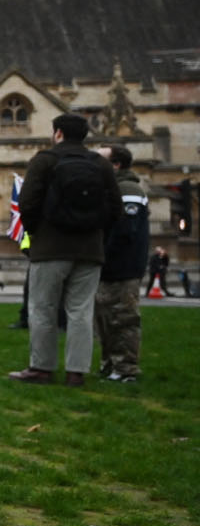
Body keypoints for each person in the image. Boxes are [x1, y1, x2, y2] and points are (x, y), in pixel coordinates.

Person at [8, 113, 122, 385]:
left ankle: (41, 368)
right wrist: (96, 233)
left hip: (50, 247)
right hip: (89, 250)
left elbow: (27, 204)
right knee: (81, 311)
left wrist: (36, 233)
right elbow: (115, 208)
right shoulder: (100, 164)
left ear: (58, 133)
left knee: (42, 309)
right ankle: (76, 372)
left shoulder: (44, 160)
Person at [96, 145, 150, 382]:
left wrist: (104, 254)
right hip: (110, 267)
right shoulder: (112, 188)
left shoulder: (128, 189)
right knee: (106, 319)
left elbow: (125, 231)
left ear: (115, 165)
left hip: (123, 267)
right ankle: (110, 364)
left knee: (124, 318)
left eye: (100, 160)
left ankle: (126, 369)